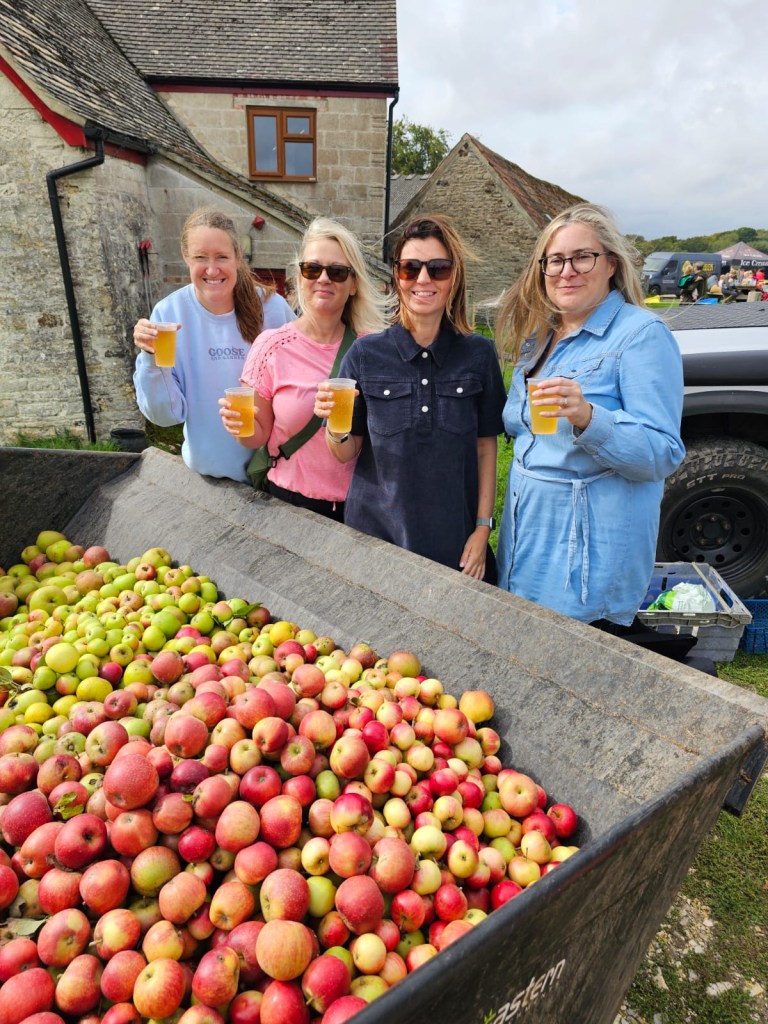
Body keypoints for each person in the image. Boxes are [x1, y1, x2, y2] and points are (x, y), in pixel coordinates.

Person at [494, 202, 686, 636]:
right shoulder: (538, 338)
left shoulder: (640, 336)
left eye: (583, 257)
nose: (568, 271)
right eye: (556, 260)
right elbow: (522, 429)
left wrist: (587, 417)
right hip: (526, 547)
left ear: (611, 265)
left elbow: (662, 453)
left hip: (586, 561)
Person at [315, 214, 507, 582]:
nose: (423, 279)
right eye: (410, 268)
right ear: (396, 276)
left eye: (438, 268)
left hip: (455, 544)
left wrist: (483, 530)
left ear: (454, 278)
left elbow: (486, 448)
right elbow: (345, 451)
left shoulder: (479, 354)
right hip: (375, 542)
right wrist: (334, 428)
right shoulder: (365, 355)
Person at [219, 217, 389, 522]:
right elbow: (258, 436)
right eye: (312, 269)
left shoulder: (371, 351)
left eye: (337, 272)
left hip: (357, 509)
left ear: (353, 285)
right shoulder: (271, 346)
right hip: (286, 504)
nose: (323, 278)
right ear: (299, 278)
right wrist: (238, 427)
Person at [133, 207, 295, 482]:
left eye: (221, 257)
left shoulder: (272, 309)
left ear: (238, 258)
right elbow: (165, 416)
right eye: (200, 257)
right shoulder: (168, 314)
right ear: (185, 256)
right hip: (209, 482)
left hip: (274, 479)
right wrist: (149, 357)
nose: (212, 269)